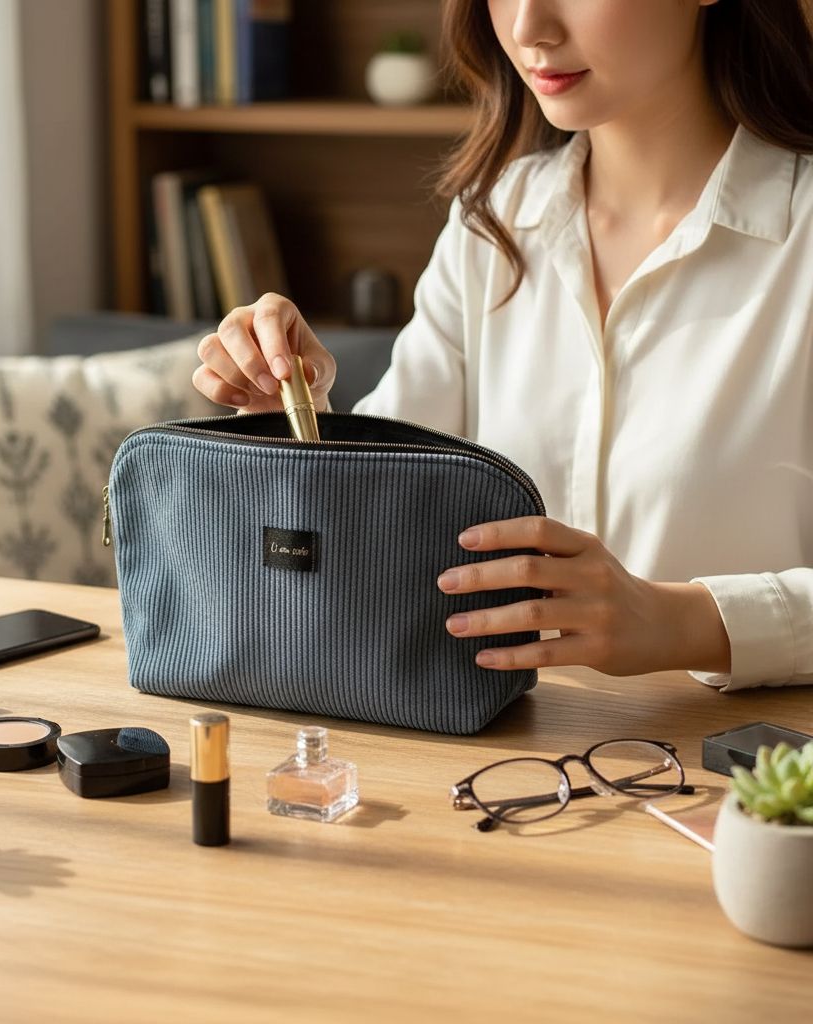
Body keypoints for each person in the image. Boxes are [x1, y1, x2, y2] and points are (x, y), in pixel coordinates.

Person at [191, 0, 813, 692]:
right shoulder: (491, 224)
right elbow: (383, 522)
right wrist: (294, 405)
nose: (528, 29)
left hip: (743, 782)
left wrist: (684, 622)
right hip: (504, 764)